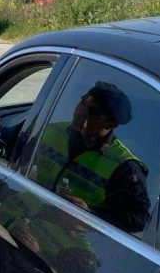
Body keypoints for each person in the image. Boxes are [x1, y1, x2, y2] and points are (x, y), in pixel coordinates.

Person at [31, 81, 150, 233]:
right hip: (29, 224)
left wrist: (91, 213)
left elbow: (139, 220)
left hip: (72, 246)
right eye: (82, 103)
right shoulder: (51, 130)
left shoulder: (125, 167)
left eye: (92, 111)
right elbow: (13, 141)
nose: (81, 111)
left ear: (111, 123)